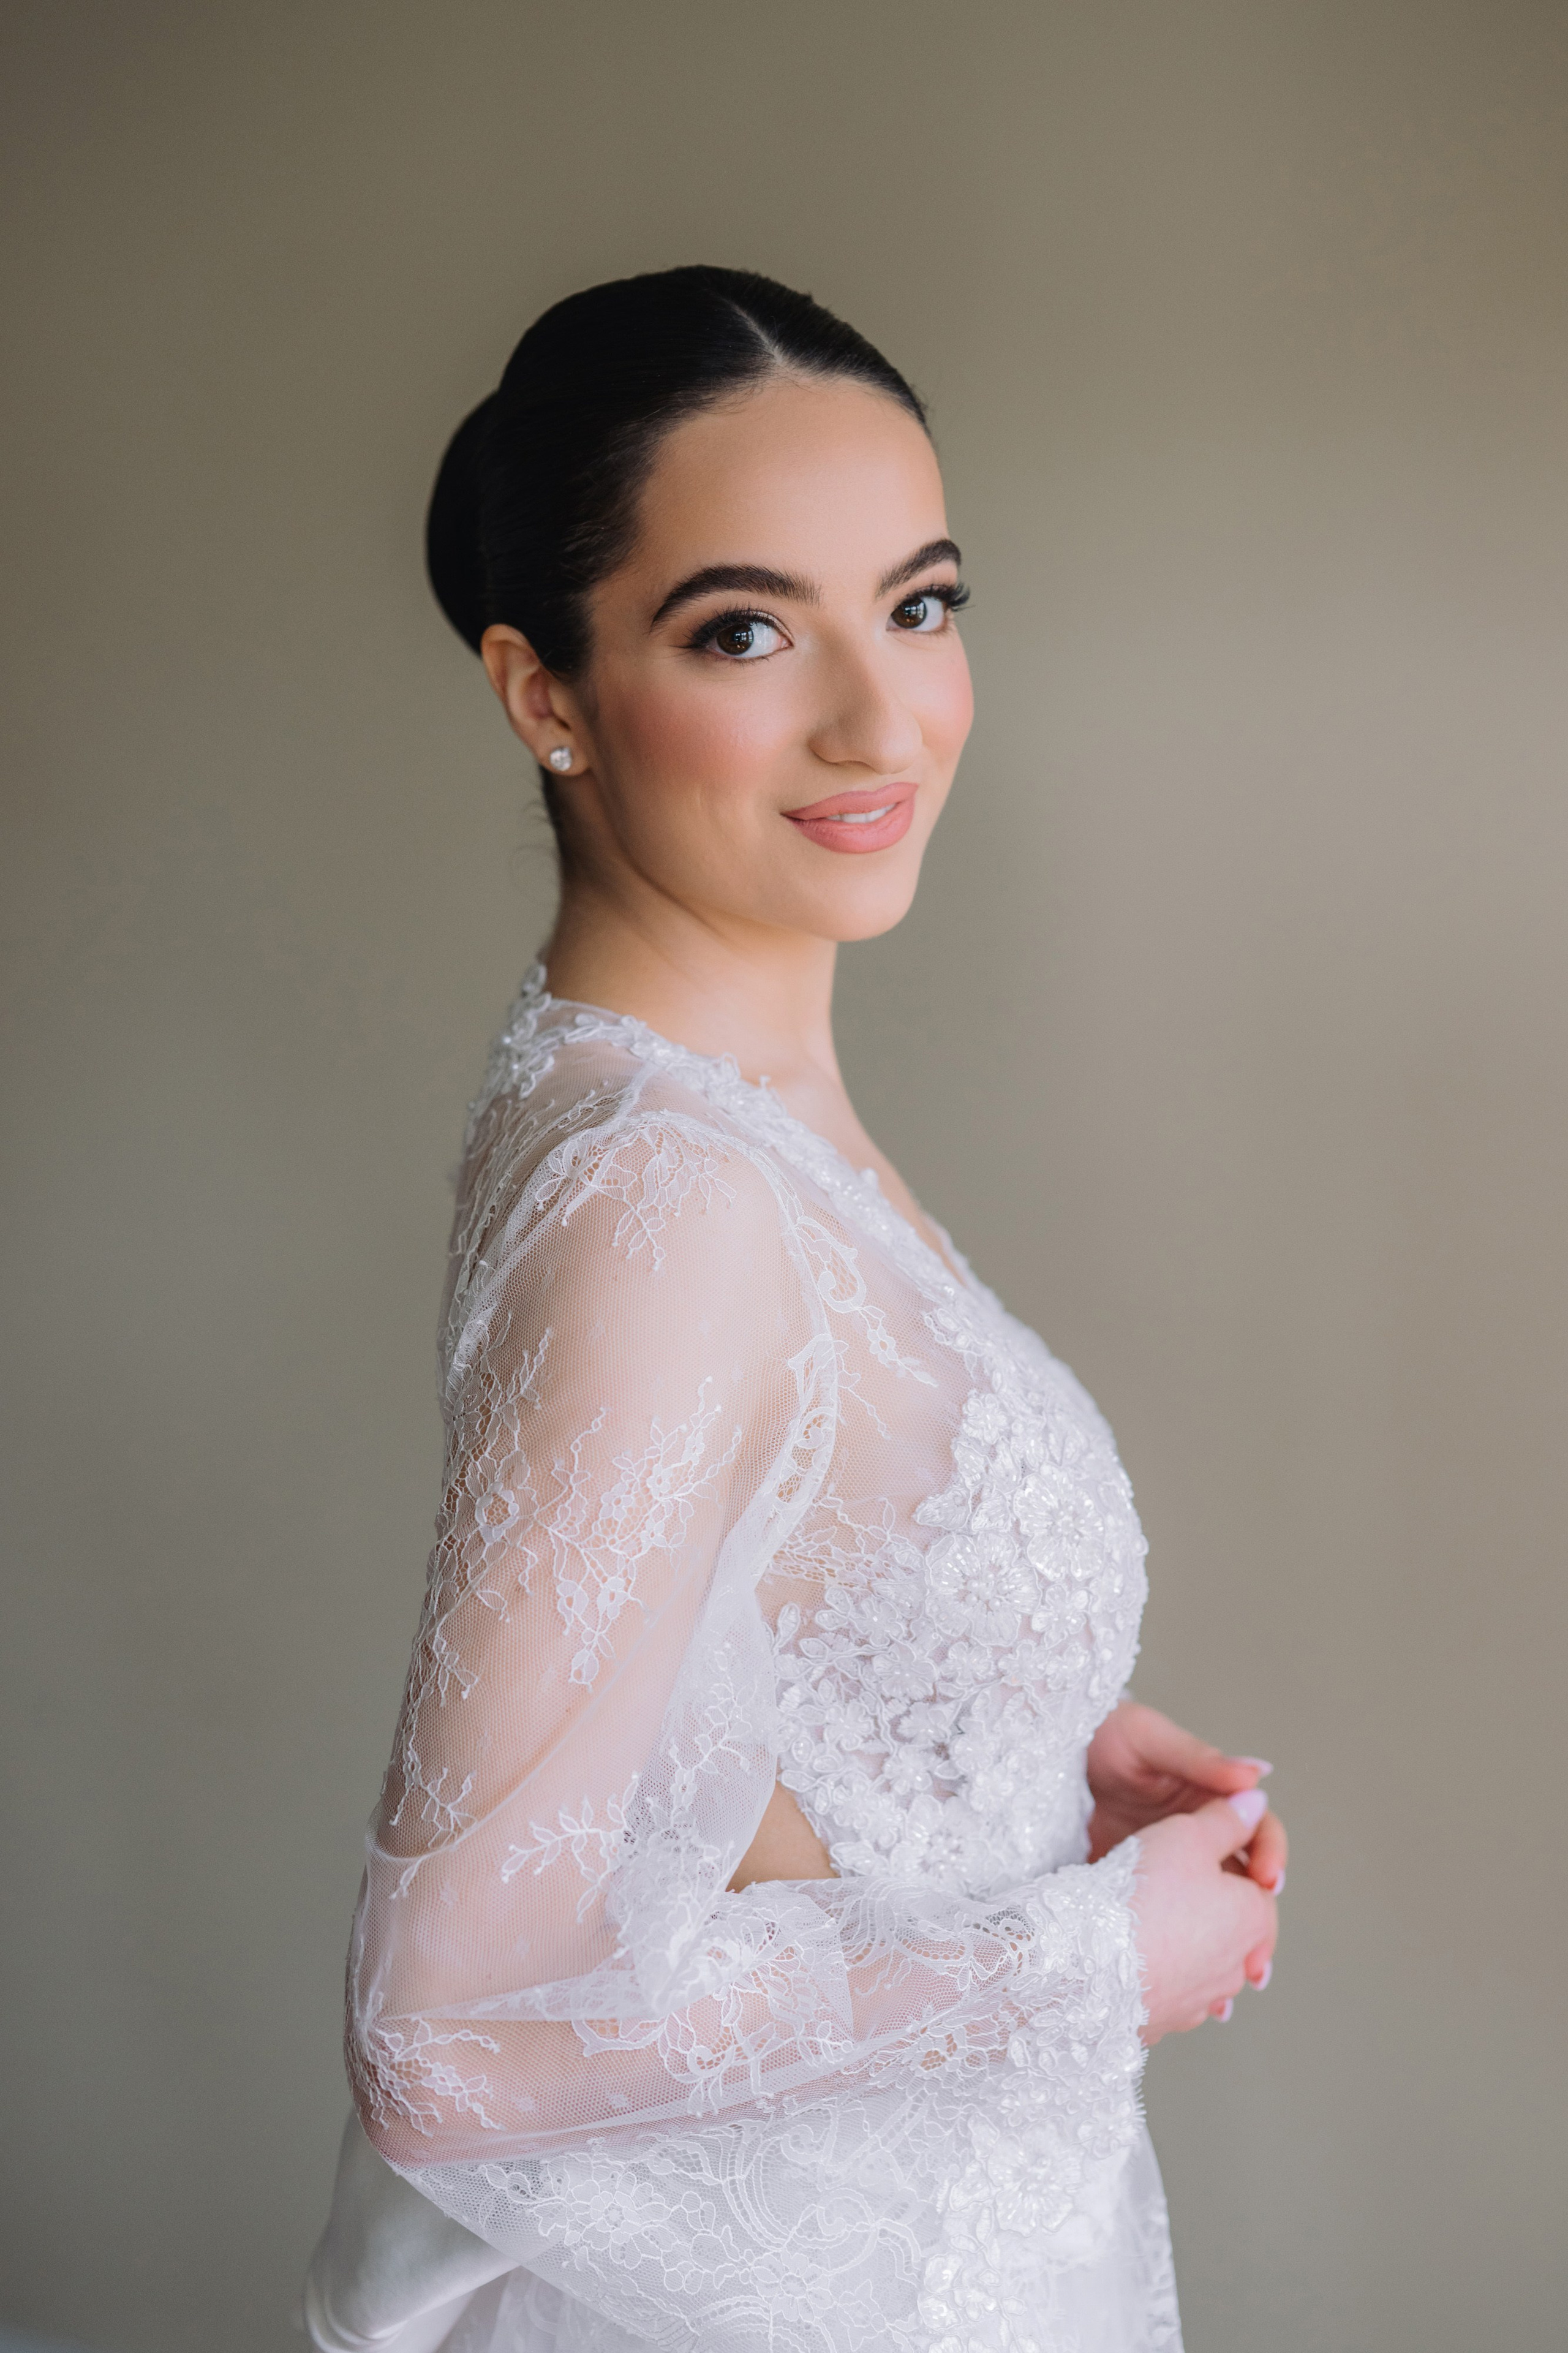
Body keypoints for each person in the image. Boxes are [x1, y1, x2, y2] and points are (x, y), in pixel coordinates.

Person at [302, 266, 1286, 2353]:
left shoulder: (706, 1099)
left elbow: (728, 1607)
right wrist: (1083, 1961)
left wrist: (992, 1721)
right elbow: (450, 2037)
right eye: (746, 630)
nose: (879, 715)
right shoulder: (663, 1196)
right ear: (543, 690)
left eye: (919, 603)